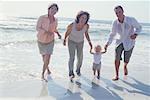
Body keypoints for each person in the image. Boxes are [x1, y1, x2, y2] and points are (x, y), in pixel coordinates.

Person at [104, 5, 142, 81]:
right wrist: (107, 44)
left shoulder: (131, 20)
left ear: (123, 11)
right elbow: (112, 34)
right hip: (119, 41)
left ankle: (125, 66)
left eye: (119, 12)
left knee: (126, 60)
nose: (118, 14)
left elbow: (139, 27)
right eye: (116, 13)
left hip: (129, 42)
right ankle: (117, 75)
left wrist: (135, 34)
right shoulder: (115, 22)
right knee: (116, 58)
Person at [63, 11, 93, 80]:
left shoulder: (86, 26)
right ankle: (71, 72)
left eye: (85, 18)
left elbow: (86, 34)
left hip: (80, 42)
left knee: (80, 57)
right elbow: (67, 32)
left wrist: (90, 43)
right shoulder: (72, 25)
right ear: (78, 17)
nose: (83, 19)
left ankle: (78, 69)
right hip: (71, 41)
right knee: (72, 57)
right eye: (82, 17)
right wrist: (64, 40)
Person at [36, 3, 61, 81]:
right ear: (48, 9)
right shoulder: (42, 18)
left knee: (48, 58)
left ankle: (42, 74)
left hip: (50, 41)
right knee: (44, 58)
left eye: (55, 9)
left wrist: (58, 34)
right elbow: (37, 28)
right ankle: (48, 69)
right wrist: (46, 32)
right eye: (52, 9)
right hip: (41, 40)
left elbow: (55, 28)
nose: (53, 10)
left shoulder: (56, 20)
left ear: (57, 11)